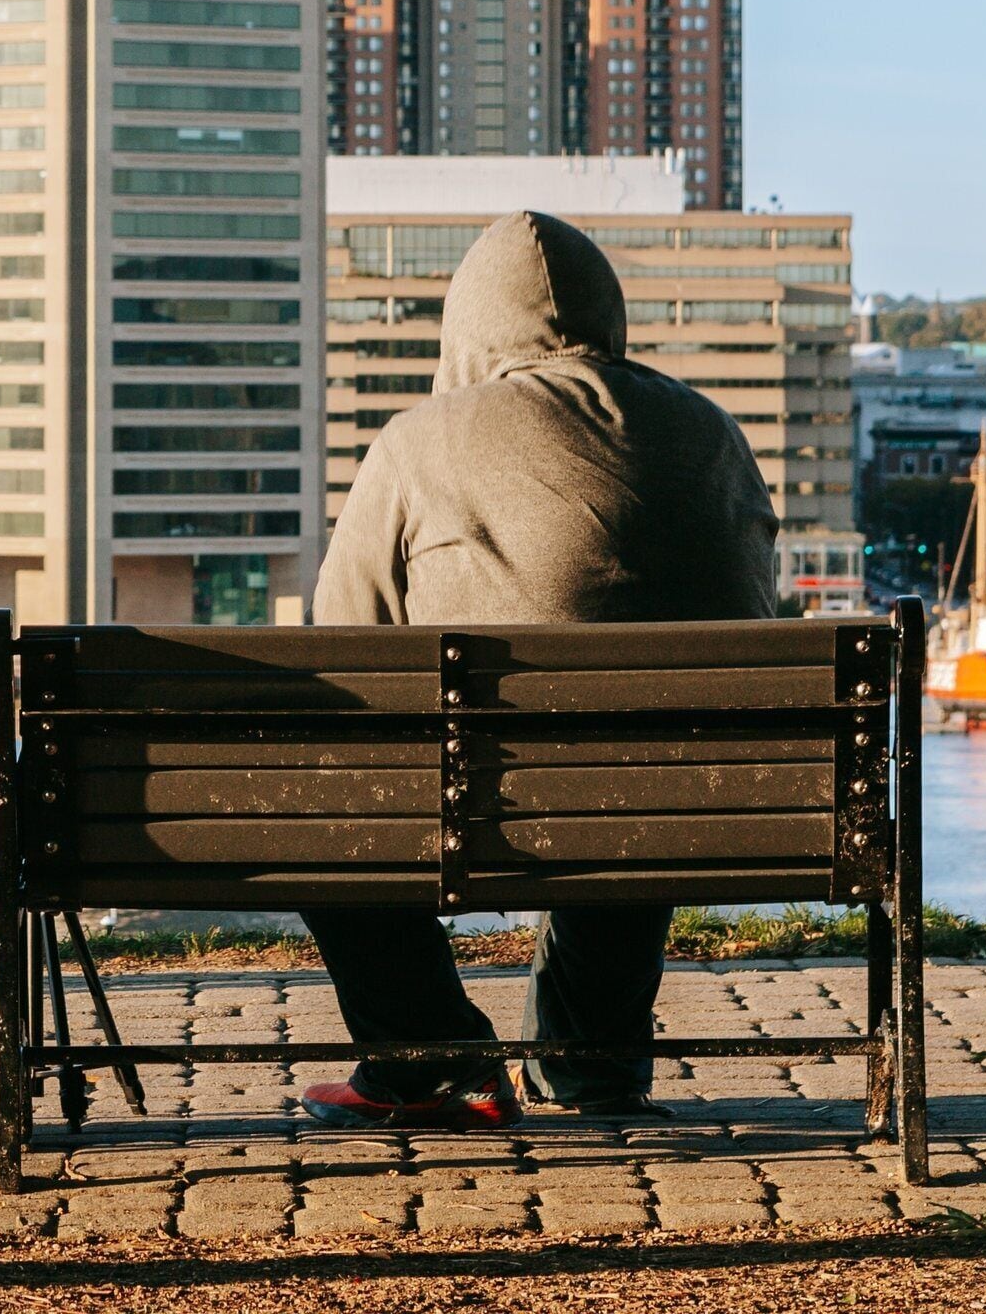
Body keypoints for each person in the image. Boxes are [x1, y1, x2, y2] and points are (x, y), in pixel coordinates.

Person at [297, 209, 778, 1129]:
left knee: (312, 804)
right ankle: (587, 1064)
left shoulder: (417, 438)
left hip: (490, 807)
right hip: (707, 806)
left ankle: (431, 1055)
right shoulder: (716, 435)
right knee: (641, 759)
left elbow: (341, 637)